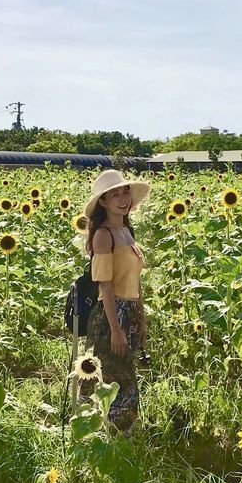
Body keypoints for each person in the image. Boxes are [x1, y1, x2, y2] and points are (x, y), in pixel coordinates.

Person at [82, 169, 151, 433]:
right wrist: (116, 329)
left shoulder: (125, 229)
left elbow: (136, 280)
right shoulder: (103, 235)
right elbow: (105, 286)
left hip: (130, 310)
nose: (123, 199)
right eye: (115, 195)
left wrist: (140, 317)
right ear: (103, 202)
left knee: (124, 374)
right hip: (113, 312)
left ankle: (120, 435)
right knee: (115, 377)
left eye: (125, 192)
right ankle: (114, 435)